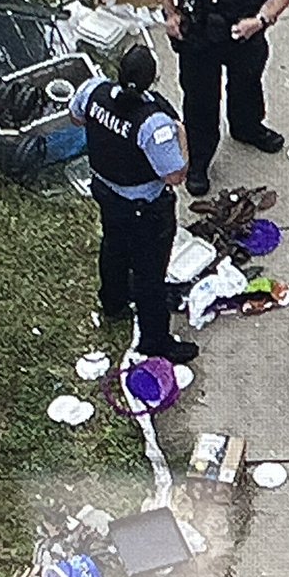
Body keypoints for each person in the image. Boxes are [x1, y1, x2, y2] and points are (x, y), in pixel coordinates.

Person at [147, 0, 289, 196]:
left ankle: (247, 128)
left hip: (245, 35)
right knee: (199, 101)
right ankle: (199, 161)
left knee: (247, 86)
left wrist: (261, 20)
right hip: (198, 39)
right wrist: (170, 13)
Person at [70, 45, 199, 364]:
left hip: (105, 191)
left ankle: (113, 301)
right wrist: (182, 136)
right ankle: (156, 341)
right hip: (144, 209)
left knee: (113, 246)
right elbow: (175, 175)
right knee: (149, 274)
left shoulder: (93, 90)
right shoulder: (154, 123)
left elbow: (75, 118)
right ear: (152, 79)